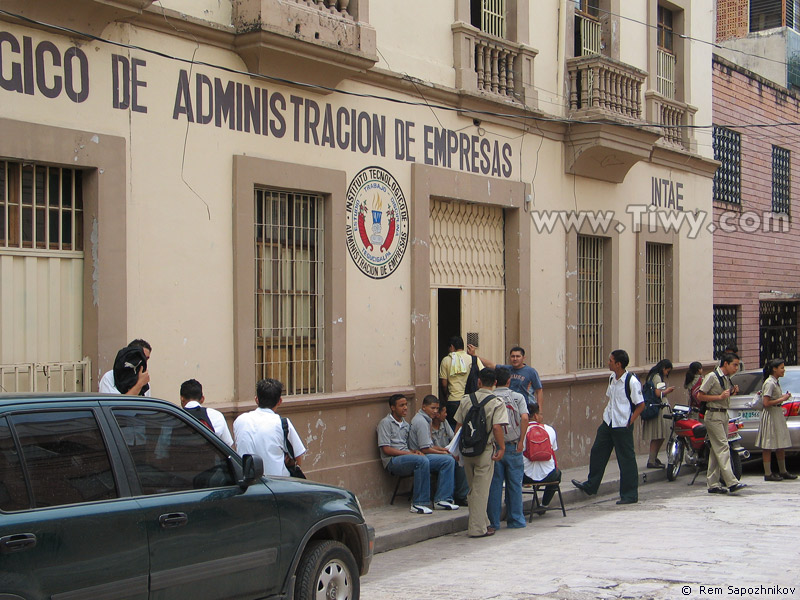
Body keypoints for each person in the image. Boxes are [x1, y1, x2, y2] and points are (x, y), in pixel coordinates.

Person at [572, 349, 644, 505]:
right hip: (609, 421)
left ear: (618, 364)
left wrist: (630, 421)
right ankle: (591, 485)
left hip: (622, 424)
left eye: (611, 361)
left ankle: (629, 494)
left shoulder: (631, 381)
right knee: (598, 451)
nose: (608, 362)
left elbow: (640, 405)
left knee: (626, 459)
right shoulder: (612, 378)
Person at [377, 394, 459, 514]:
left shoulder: (405, 424)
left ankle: (443, 499)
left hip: (407, 456)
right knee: (422, 460)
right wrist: (408, 453)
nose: (405, 408)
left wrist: (413, 452)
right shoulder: (385, 423)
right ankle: (419, 503)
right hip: (393, 460)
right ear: (393, 408)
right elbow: (386, 449)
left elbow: (411, 445)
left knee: (447, 460)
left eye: (406, 405)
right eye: (401, 405)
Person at [453, 368, 507, 537]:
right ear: (495, 383)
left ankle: (484, 523)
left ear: (478, 381)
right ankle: (477, 529)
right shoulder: (497, 402)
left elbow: (459, 425)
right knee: (481, 490)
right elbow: (497, 427)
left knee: (473, 488)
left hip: (467, 449)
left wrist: (455, 449)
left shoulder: (466, 400)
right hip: (485, 450)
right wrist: (502, 447)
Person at [696, 353, 747, 494]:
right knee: (723, 447)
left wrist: (731, 392)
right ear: (726, 364)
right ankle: (731, 482)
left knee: (715, 449)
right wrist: (719, 396)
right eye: (734, 365)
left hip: (723, 413)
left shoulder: (726, 378)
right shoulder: (712, 376)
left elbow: (724, 395)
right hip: (713, 414)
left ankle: (713, 483)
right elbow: (700, 395)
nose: (736, 368)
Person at [234, 378, 306, 477]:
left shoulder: (239, 421)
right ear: (280, 401)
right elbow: (298, 457)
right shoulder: (282, 424)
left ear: (256, 399)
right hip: (277, 483)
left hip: (247, 482)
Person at [487, 367, 529, 530]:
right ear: (509, 381)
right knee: (514, 485)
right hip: (513, 445)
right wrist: (521, 441)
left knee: (495, 486)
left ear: (495, 382)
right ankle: (516, 519)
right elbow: (525, 417)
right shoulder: (517, 397)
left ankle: (494, 522)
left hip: (495, 447)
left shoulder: (490, 398)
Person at [468, 345, 542, 413]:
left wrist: (539, 411)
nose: (515, 359)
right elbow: (491, 365)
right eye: (513, 356)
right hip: (509, 407)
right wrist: (474, 356)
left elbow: (539, 391)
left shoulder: (531, 372)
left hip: (527, 408)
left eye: (518, 356)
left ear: (523, 358)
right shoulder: (506, 369)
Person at [757, 358, 797, 481]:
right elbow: (766, 402)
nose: (783, 370)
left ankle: (783, 470)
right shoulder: (769, 383)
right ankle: (768, 473)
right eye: (782, 368)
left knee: (781, 443)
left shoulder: (775, 382)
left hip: (777, 413)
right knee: (768, 445)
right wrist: (782, 399)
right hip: (770, 414)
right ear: (774, 369)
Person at [522, 401, 560, 515]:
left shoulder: (520, 431)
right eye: (541, 414)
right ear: (535, 416)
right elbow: (553, 449)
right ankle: (544, 504)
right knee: (558, 474)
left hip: (526, 477)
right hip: (549, 476)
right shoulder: (549, 430)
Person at [439, 336, 482, 429]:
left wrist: (446, 395)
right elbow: (483, 376)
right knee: (470, 429)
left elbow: (444, 384)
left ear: (451, 347)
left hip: (453, 401)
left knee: (454, 429)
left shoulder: (446, 360)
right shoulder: (474, 359)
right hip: (471, 400)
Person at [431, 402, 469, 505]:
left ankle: (461, 495)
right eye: (444, 412)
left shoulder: (444, 423)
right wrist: (444, 451)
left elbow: (453, 438)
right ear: (437, 414)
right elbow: (427, 447)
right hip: (435, 454)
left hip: (446, 451)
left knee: (461, 459)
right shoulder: (427, 425)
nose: (446, 414)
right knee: (449, 460)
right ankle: (444, 498)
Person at [179, 378, 234, 446]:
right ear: (202, 399)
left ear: (182, 398)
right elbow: (227, 444)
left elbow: (165, 446)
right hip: (208, 456)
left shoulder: (173, 416)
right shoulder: (216, 416)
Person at [642, 359, 675, 469]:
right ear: (663, 368)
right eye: (667, 371)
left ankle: (653, 458)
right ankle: (652, 460)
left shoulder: (652, 376)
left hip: (656, 408)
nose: (667, 374)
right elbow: (658, 393)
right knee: (658, 435)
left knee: (659, 435)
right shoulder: (657, 377)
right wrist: (668, 391)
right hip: (659, 409)